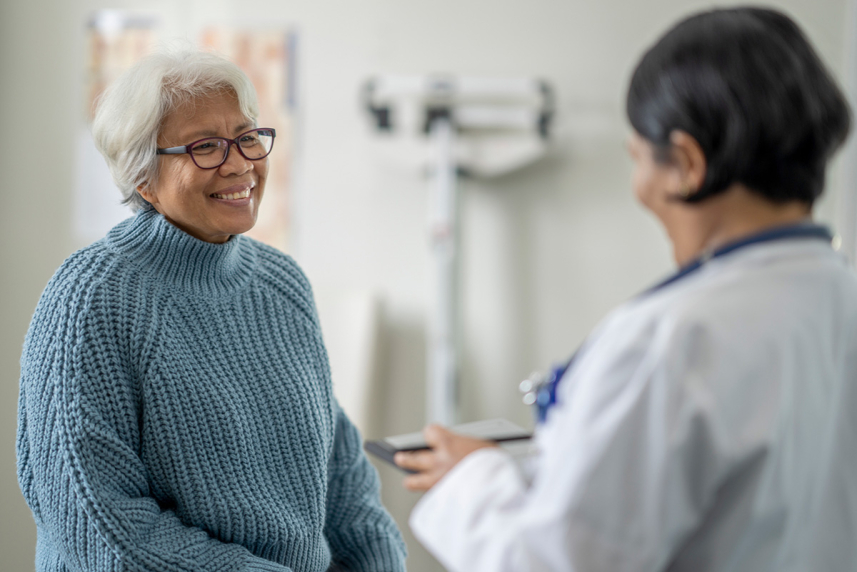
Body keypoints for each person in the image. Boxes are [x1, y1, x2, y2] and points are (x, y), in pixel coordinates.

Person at [395, 7, 857, 571]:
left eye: (637, 158)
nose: (639, 187)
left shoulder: (671, 340)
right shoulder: (837, 295)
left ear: (686, 164)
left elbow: (554, 564)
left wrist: (472, 481)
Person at [17, 48, 406, 572]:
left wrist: (381, 562)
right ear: (142, 177)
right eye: (205, 147)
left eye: (247, 137)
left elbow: (340, 471)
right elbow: (97, 522)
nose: (241, 163)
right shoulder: (91, 298)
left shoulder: (281, 282)